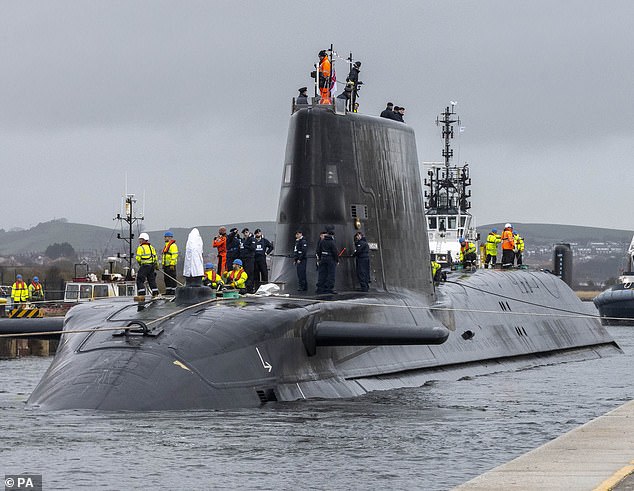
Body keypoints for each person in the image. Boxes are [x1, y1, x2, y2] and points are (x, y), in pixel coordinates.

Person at [135, 232, 159, 297]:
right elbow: (155, 258)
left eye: (140, 239)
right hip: (152, 266)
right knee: (151, 280)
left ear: (143, 240)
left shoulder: (140, 248)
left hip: (145, 266)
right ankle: (155, 293)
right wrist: (156, 266)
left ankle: (142, 294)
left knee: (140, 280)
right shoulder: (151, 247)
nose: (139, 240)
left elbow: (138, 258)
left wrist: (140, 264)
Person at [316, 225, 339, 294]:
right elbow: (335, 252)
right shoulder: (332, 242)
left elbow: (318, 251)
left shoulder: (322, 241)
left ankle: (320, 288)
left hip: (323, 258)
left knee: (322, 274)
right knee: (331, 274)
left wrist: (320, 258)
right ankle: (329, 288)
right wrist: (337, 260)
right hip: (330, 259)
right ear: (332, 236)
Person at [161, 231, 179, 295]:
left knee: (172, 278)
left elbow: (174, 255)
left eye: (166, 237)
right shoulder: (166, 245)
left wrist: (172, 264)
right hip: (166, 265)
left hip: (171, 265)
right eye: (165, 237)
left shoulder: (173, 246)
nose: (165, 238)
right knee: (166, 279)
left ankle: (173, 291)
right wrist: (163, 264)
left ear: (170, 237)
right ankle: (168, 291)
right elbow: (165, 256)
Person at [239, 228, 256, 293]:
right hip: (243, 258)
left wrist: (245, 245)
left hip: (250, 258)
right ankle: (245, 287)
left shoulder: (252, 239)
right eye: (244, 233)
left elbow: (253, 248)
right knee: (244, 273)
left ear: (248, 232)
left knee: (250, 273)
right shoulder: (243, 240)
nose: (245, 234)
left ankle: (250, 288)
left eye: (246, 233)